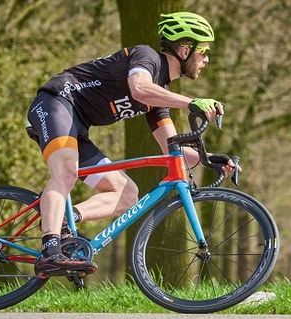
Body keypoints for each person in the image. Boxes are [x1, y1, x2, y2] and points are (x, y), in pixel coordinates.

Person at [25, 11, 236, 276]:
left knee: (127, 194)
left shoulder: (159, 96)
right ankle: (50, 250)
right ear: (185, 50)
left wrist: (209, 158)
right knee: (66, 172)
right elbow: (139, 88)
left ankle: (65, 219)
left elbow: (172, 148)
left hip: (78, 125)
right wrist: (191, 102)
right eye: (203, 51)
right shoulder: (146, 57)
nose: (206, 59)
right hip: (56, 102)